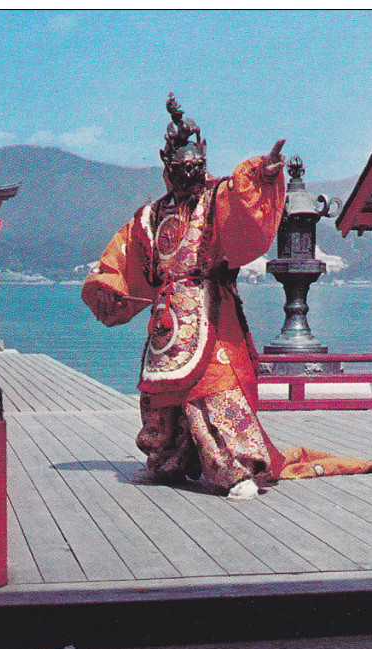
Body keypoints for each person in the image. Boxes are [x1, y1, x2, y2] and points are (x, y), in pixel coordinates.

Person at [82, 94, 288, 500]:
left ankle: (236, 468)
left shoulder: (215, 200)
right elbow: (127, 253)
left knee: (215, 388)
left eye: (197, 165)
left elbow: (239, 202)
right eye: (183, 167)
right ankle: (170, 459)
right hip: (166, 318)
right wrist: (107, 283)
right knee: (162, 396)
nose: (192, 172)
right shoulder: (151, 215)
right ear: (169, 168)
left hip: (210, 308)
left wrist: (260, 176)